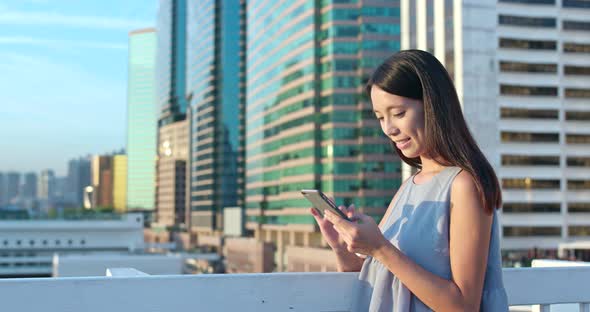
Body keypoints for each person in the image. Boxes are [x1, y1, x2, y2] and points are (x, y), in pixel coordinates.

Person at [310, 50, 509, 311]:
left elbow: (463, 305)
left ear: (433, 106)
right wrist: (343, 247)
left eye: (399, 113)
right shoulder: (409, 187)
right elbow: (383, 278)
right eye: (381, 117)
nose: (389, 128)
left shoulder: (463, 186)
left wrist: (380, 247)